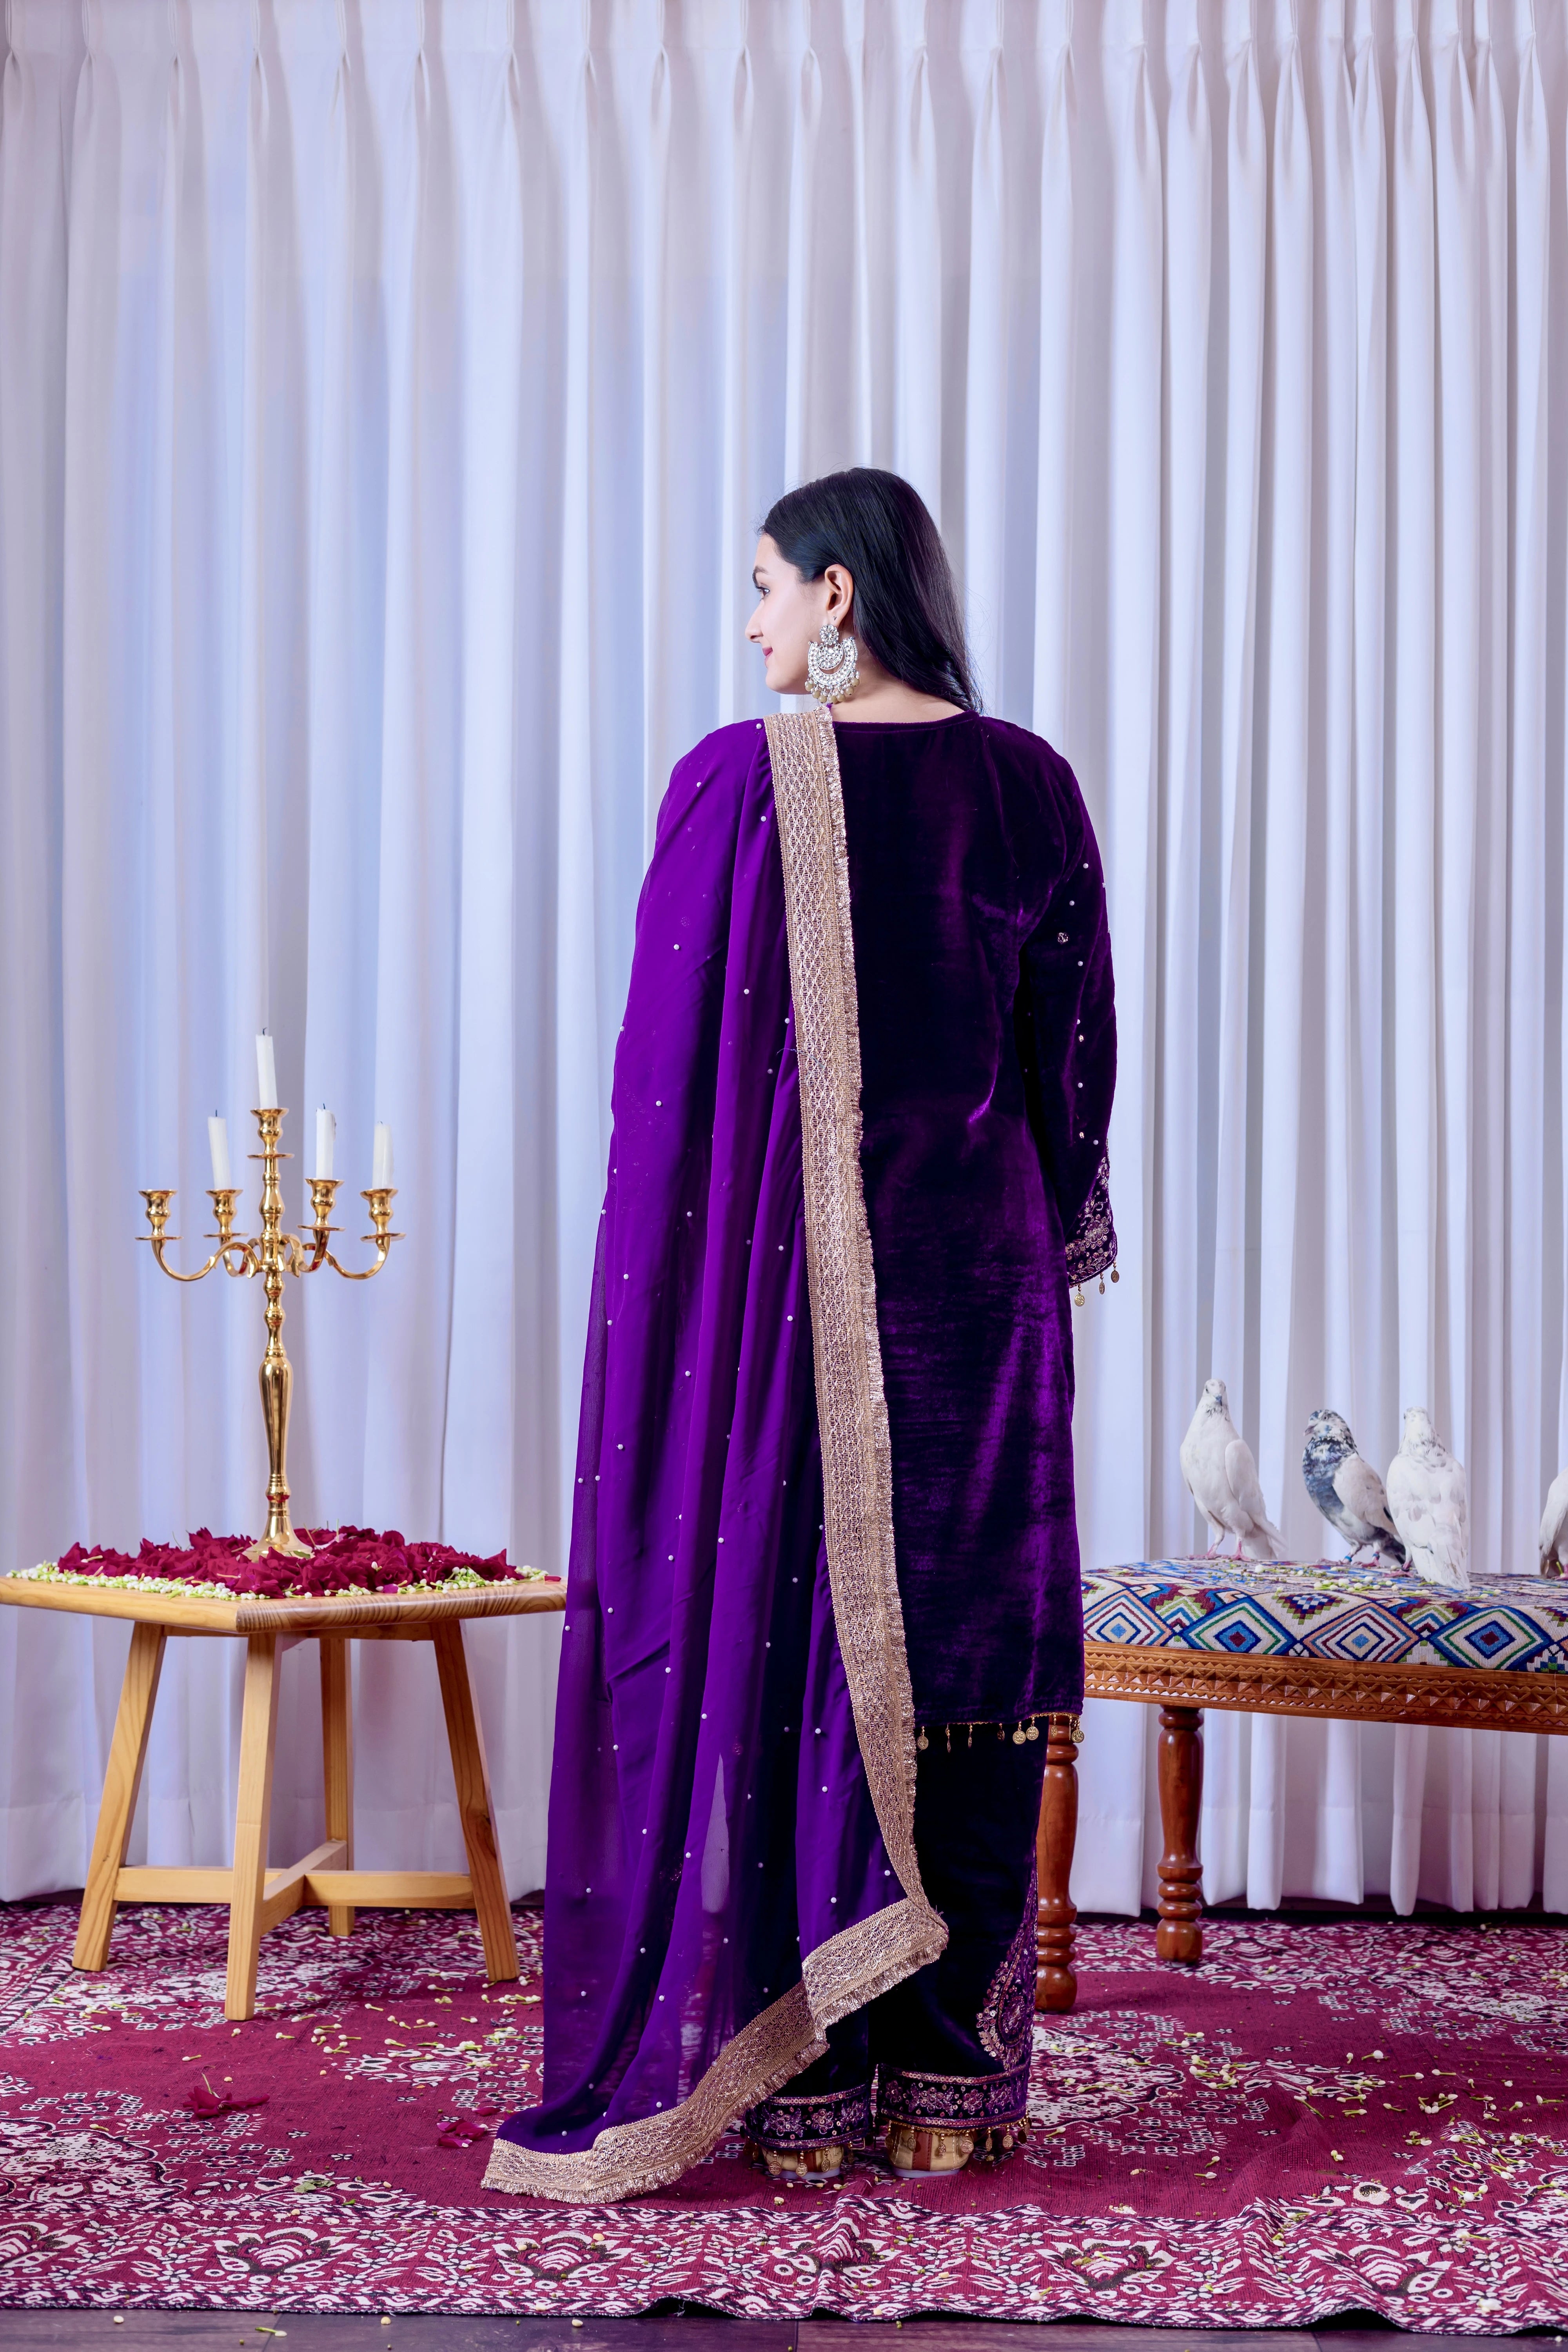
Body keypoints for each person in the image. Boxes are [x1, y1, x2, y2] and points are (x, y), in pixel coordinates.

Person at [486, 467, 1116, 2204]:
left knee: (793, 1634)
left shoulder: (733, 790)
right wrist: (1040, 1224)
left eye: (765, 584)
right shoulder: (1030, 785)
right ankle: (949, 2088)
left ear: (840, 598)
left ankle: (811, 2081)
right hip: (973, 1298)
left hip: (778, 1309)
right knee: (971, 1665)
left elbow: (662, 1109)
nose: (751, 617)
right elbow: (1074, 1061)